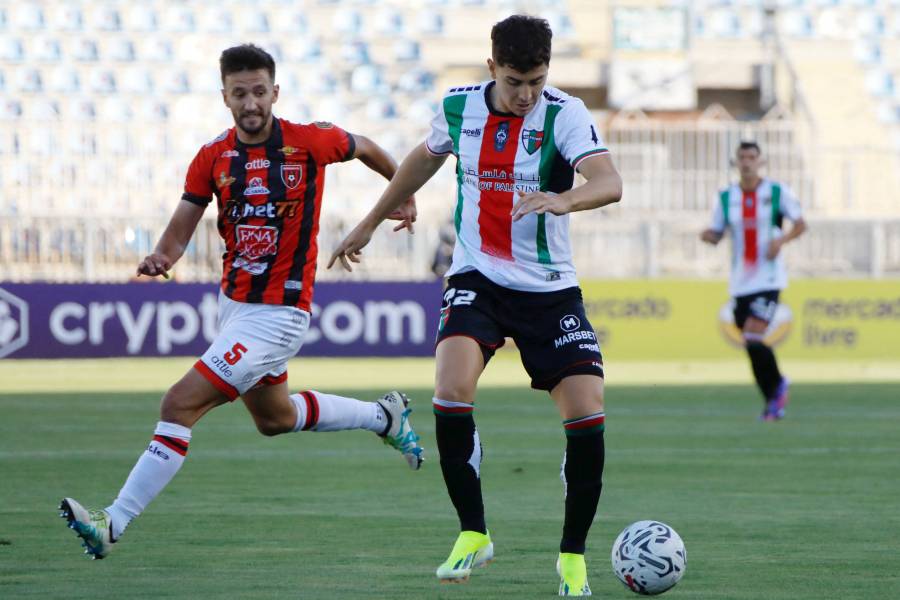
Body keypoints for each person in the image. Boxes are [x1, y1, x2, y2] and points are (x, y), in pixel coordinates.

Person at [59, 44, 424, 560]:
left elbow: (364, 146)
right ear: (225, 97)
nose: (250, 102)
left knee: (178, 404)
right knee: (274, 419)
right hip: (233, 307)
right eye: (239, 93)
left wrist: (400, 191)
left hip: (279, 313)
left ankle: (112, 522)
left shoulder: (309, 142)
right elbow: (179, 230)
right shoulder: (213, 157)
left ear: (275, 92)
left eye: (259, 92)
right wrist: (161, 257)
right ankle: (384, 418)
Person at [329, 16, 622, 597]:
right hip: (477, 276)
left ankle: (572, 559)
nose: (527, 93)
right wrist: (370, 219)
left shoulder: (564, 113)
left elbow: (609, 182)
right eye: (516, 81)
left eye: (537, 80)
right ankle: (473, 534)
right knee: (451, 388)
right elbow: (423, 157)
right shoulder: (459, 107)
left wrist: (561, 199)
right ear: (492, 68)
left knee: (586, 414)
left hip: (548, 289)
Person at [701, 141, 807, 420]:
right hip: (740, 283)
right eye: (742, 157)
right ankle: (773, 397)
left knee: (752, 334)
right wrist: (708, 236)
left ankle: (778, 387)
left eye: (752, 157)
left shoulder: (777, 192)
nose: (747, 162)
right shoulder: (725, 197)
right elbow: (717, 231)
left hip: (769, 278)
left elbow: (800, 224)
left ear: (761, 162)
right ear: (736, 162)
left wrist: (781, 241)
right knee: (751, 342)